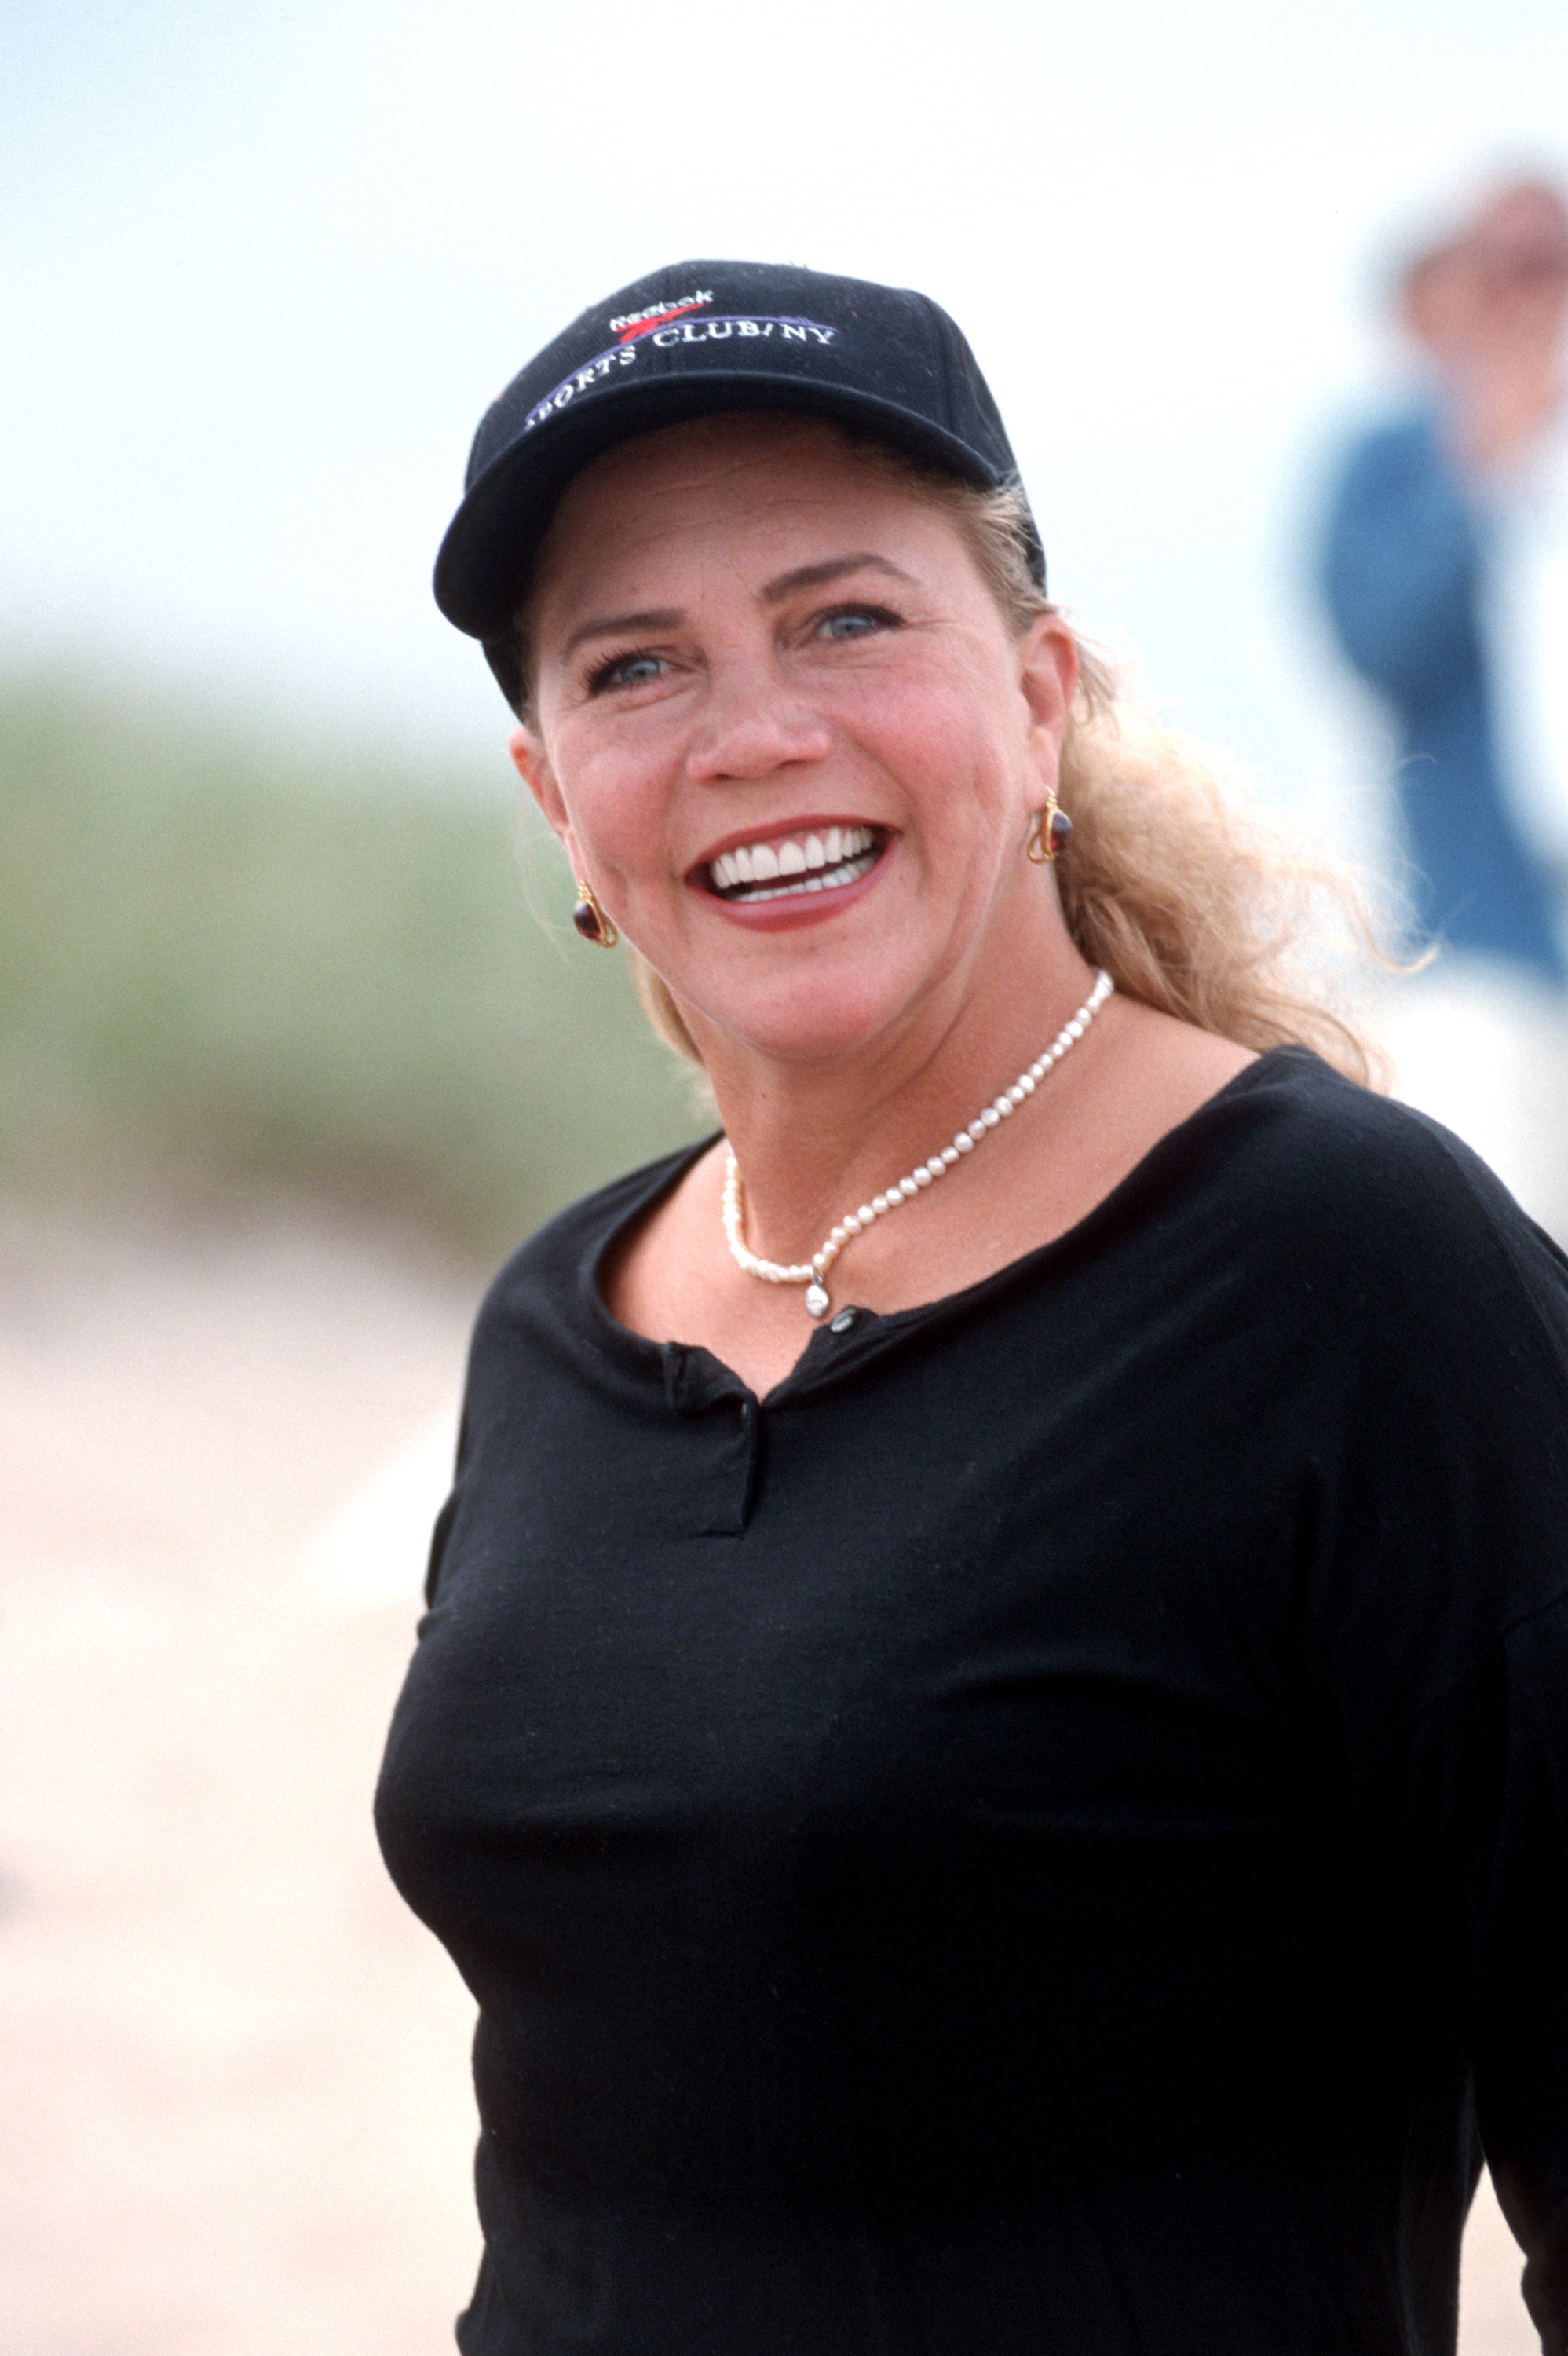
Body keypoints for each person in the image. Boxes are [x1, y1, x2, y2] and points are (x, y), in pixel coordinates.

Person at [375, 260, 1568, 2356]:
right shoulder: (558, 1320)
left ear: (1035, 698)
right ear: (558, 798)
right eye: (633, 667)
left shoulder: (1353, 1279)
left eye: (845, 620)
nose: (754, 734)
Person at [1321, 178, 1568, 1236]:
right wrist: (1477, 474)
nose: (1531, 300)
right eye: (1505, 273)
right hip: (1477, 947)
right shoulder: (1390, 459)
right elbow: (1380, 649)